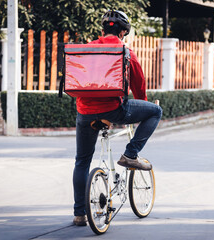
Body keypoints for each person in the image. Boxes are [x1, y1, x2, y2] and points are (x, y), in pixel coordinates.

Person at [72, 10, 162, 226]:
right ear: (123, 32)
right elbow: (139, 86)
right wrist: (142, 104)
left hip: (84, 111)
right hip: (114, 110)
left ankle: (79, 214)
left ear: (102, 30)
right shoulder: (126, 52)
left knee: (82, 161)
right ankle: (130, 154)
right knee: (155, 111)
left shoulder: (87, 49)